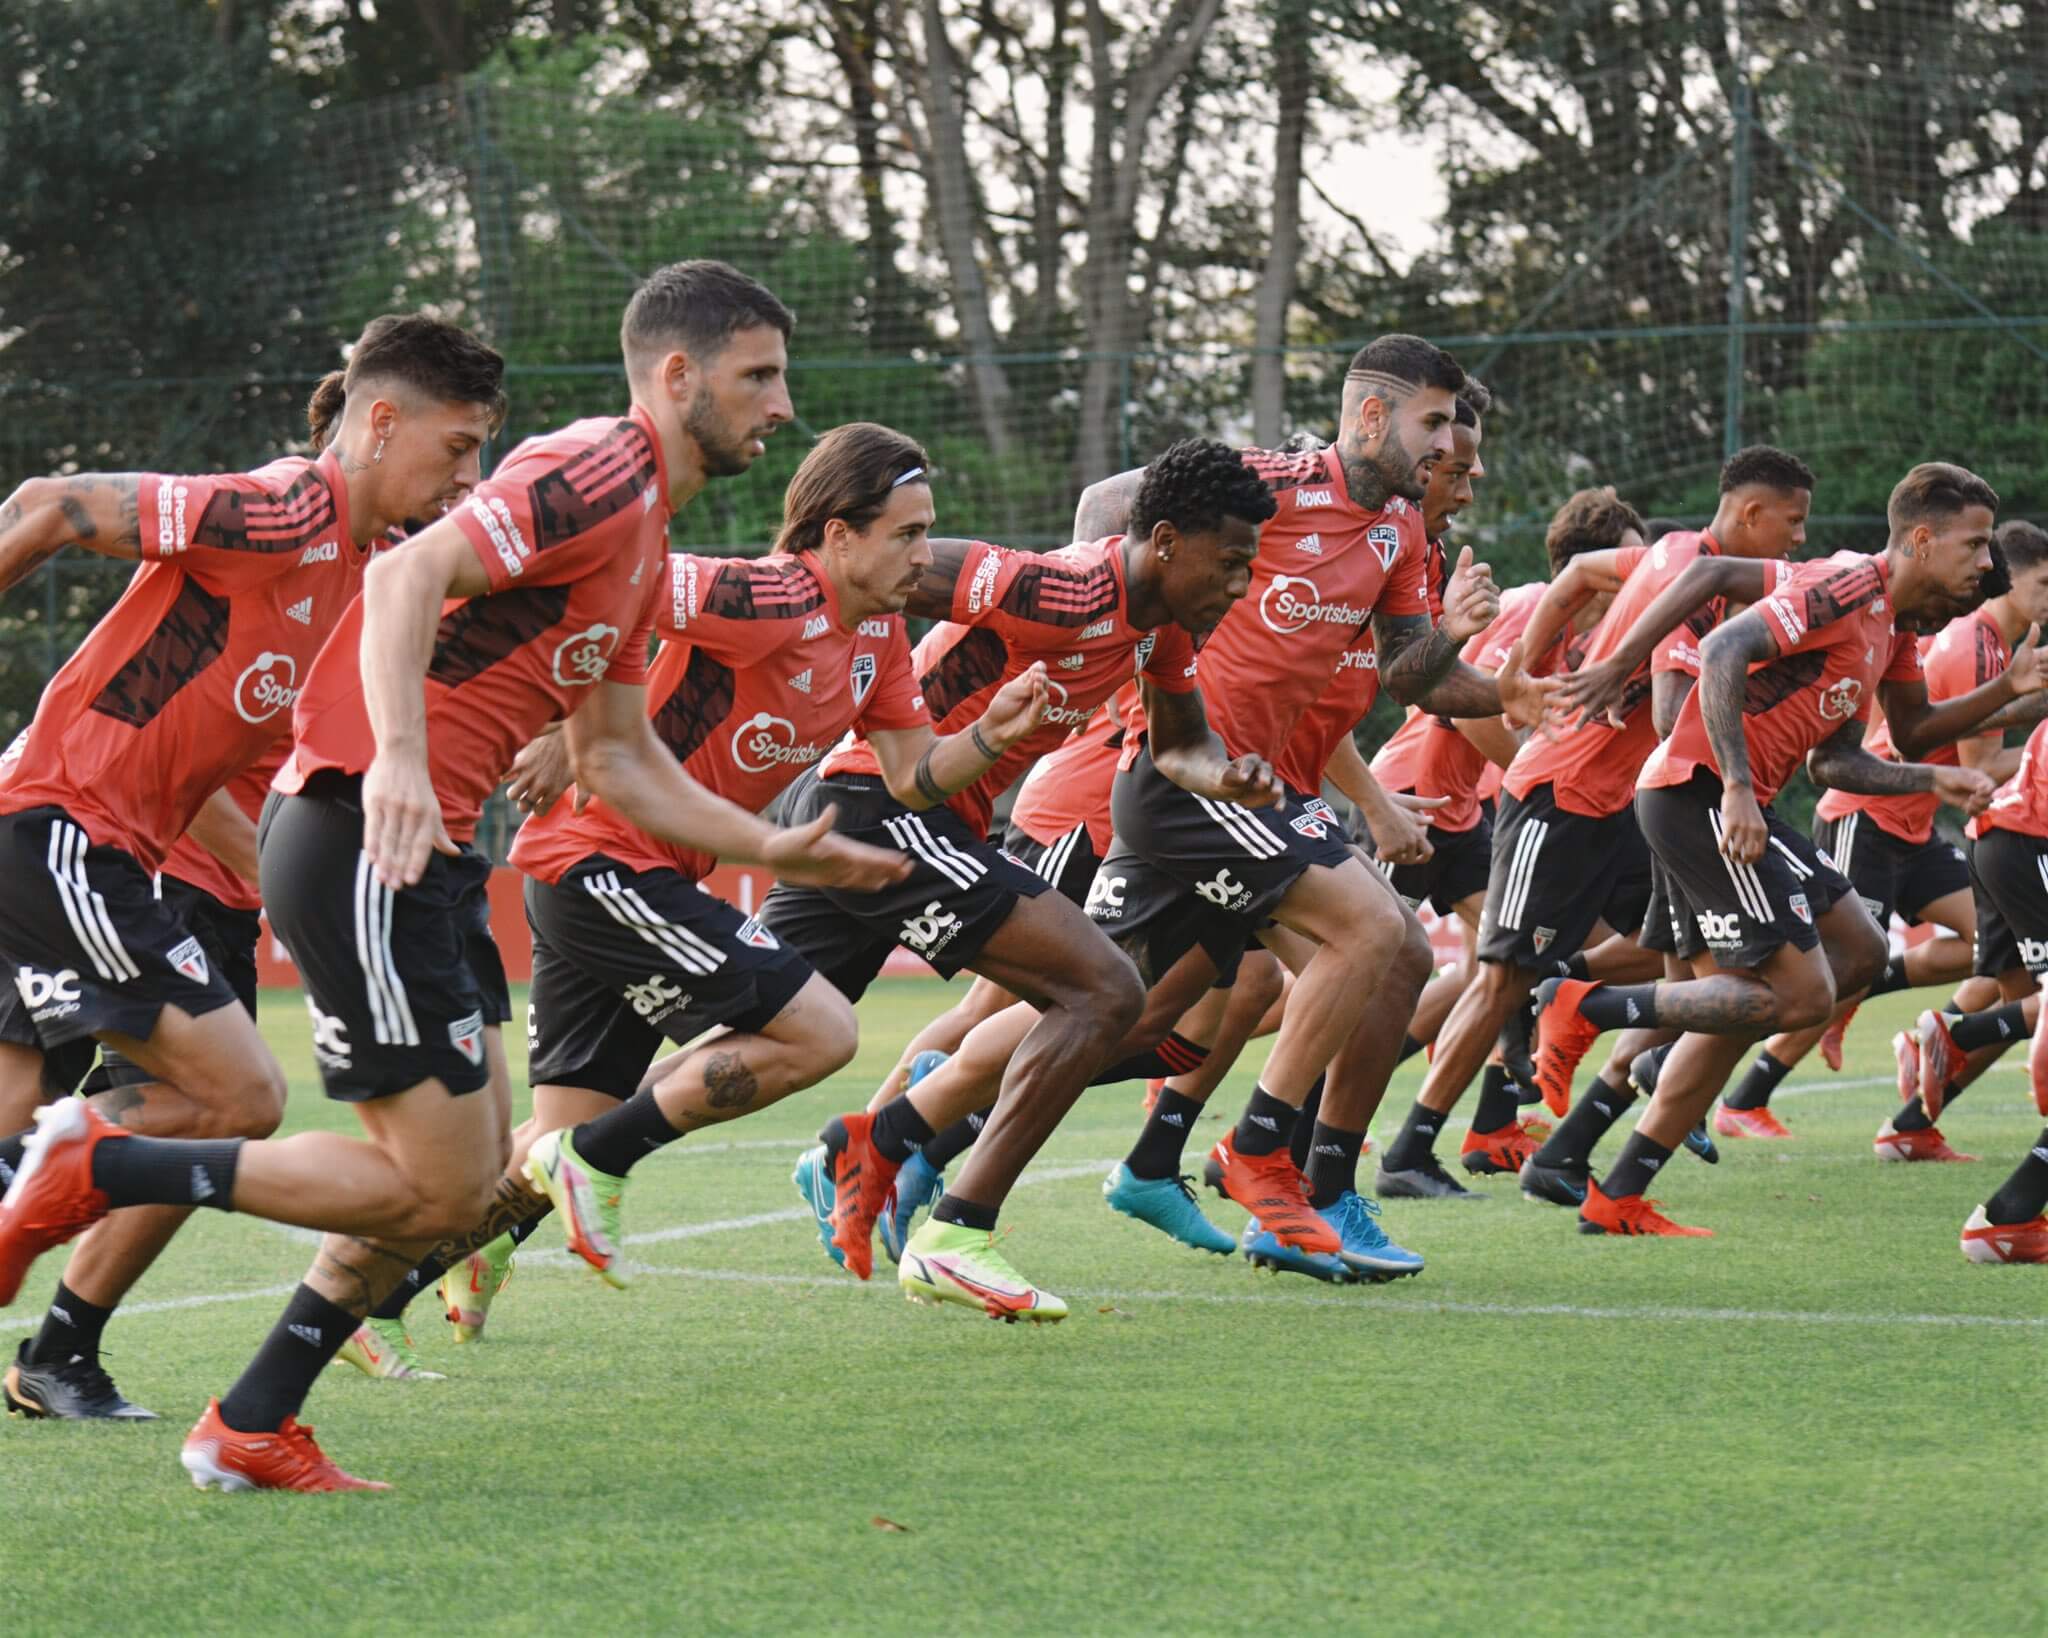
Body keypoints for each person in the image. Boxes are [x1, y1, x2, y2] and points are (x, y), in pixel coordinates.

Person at [0, 259, 907, 1491]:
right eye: (760, 375)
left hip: (400, 856)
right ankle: (97, 1172)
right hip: (359, 837)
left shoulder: (646, 546)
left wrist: (771, 846)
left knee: (468, 1189)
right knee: (402, 1174)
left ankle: (249, 1417)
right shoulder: (600, 466)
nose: (781, 406)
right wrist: (402, 769)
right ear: (676, 376)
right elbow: (402, 578)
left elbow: (617, 759)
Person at [340, 422, 1054, 1350]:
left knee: (539, 1151)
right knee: (816, 1030)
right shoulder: (760, 596)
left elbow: (915, 774)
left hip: (617, 876)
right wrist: (574, 722)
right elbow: (616, 590)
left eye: (928, 532)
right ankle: (589, 1163)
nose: (926, 556)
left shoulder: (877, 634)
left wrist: (994, 735)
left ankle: (359, 1297)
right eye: (908, 534)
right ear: (839, 536)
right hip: (600, 863)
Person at [881, 336, 1558, 1284]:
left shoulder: (1402, 539)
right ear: (1371, 417)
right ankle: (1258, 1159)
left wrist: (1498, 688)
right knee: (1344, 942)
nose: (1458, 460)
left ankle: (923, 1139)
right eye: (1439, 429)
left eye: (1463, 439)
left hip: (1246, 790)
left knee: (1138, 1008)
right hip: (1163, 777)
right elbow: (1110, 514)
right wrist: (1128, 654)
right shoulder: (1270, 483)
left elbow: (1411, 674)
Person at [0, 314, 508, 1421]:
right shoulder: (281, 510)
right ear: (380, 423)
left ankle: (56, 1325)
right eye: (457, 445)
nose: (468, 473)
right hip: (57, 826)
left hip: (96, 852)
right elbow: (46, 503)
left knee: (126, 1104)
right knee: (237, 1093)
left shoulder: (371, 575)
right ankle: (56, 1193)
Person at [771, 436, 1281, 1319]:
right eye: (1230, 562)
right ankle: (957, 1230)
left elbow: (1180, 743)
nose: (1239, 585)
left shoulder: (1159, 628)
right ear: (1165, 542)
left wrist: (1225, 772)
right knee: (1103, 991)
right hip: (880, 807)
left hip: (906, 817)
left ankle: (515, 1190)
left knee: (739, 1031)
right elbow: (873, 571)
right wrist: (786, 643)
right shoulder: (1064, 589)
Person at [1541, 462, 2036, 1236]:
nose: (1985, 564)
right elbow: (1723, 650)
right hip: (1697, 792)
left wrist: (1970, 734)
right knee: (1797, 997)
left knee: (1861, 954)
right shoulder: (1845, 587)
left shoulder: (1893, 628)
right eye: (1974, 545)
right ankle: (1587, 1004)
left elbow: (1846, 757)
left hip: (1735, 802)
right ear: (1921, 537)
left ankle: (1618, 1194)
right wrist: (1737, 786)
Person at [1721, 522, 2048, 1147]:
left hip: (1916, 827)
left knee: (1987, 954)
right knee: (1838, 971)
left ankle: (1917, 1101)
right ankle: (1740, 1095)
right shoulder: (1974, 641)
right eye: (2044, 584)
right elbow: (1980, 765)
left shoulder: (1994, 645)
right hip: (1866, 815)